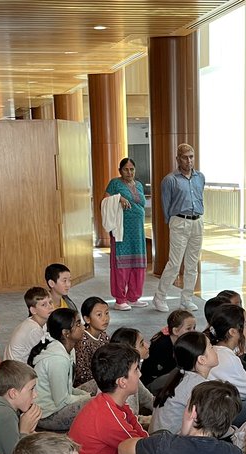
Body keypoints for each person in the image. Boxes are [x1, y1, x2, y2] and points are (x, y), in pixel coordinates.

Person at [67, 344, 147, 454]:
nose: (140, 374)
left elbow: (141, 435)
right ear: (122, 381)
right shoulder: (107, 415)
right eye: (136, 370)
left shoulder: (110, 404)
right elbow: (146, 452)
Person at [152, 143, 205, 313]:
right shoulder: (170, 180)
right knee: (175, 264)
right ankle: (159, 297)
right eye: (185, 157)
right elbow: (165, 204)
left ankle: (186, 299)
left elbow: (200, 197)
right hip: (179, 222)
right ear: (178, 159)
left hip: (197, 221)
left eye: (191, 156)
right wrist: (173, 221)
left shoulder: (200, 177)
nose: (189, 160)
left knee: (192, 264)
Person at [29, 308, 91, 431]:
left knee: (104, 387)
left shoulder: (69, 349)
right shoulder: (57, 359)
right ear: (66, 333)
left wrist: (84, 395)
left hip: (58, 405)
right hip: (47, 415)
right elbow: (62, 401)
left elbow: (67, 389)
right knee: (101, 401)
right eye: (78, 324)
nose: (83, 327)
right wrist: (87, 398)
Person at [102, 157, 150, 311]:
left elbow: (141, 202)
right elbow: (104, 201)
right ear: (120, 171)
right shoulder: (115, 183)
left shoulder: (139, 185)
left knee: (138, 264)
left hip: (138, 231)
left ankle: (133, 297)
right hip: (122, 231)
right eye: (126, 169)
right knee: (121, 264)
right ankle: (120, 299)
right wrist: (119, 198)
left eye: (132, 169)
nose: (129, 172)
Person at [150, 330, 218, 436]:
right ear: (202, 359)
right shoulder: (198, 386)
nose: (215, 349)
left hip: (157, 441)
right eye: (211, 347)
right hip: (171, 445)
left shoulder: (179, 375)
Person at [207, 304, 246, 422]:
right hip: (218, 415)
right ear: (232, 331)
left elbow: (244, 380)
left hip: (215, 407)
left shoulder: (218, 350)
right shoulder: (227, 358)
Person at [0, 359, 41, 454]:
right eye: (31, 389)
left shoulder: (0, 402)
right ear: (13, 393)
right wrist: (24, 431)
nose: (35, 395)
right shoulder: (5, 415)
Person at [143, 308, 196, 387]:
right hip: (152, 381)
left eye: (194, 328)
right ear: (175, 331)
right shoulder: (162, 346)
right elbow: (165, 371)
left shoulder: (180, 341)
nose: (193, 331)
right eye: (188, 328)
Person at [7, 286, 54, 363]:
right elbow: (43, 356)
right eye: (44, 305)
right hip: (17, 371)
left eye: (50, 302)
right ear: (33, 310)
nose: (50, 307)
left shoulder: (40, 323)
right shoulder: (34, 329)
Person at [72, 296, 111, 388]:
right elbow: (82, 375)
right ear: (87, 319)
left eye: (107, 313)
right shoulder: (82, 341)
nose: (105, 318)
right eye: (99, 315)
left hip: (104, 379)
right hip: (87, 385)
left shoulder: (104, 336)